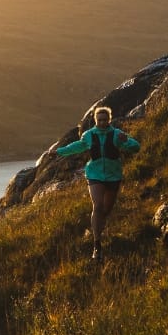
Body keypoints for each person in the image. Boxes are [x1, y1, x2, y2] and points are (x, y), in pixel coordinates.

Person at [53, 105, 140, 260]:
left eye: (105, 120)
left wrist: (127, 141)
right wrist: (59, 151)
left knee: (106, 210)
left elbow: (135, 147)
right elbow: (77, 146)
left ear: (109, 120)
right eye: (99, 120)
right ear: (95, 120)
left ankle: (97, 229)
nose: (102, 122)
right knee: (98, 206)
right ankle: (97, 244)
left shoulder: (117, 134)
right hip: (94, 175)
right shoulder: (89, 135)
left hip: (114, 176)